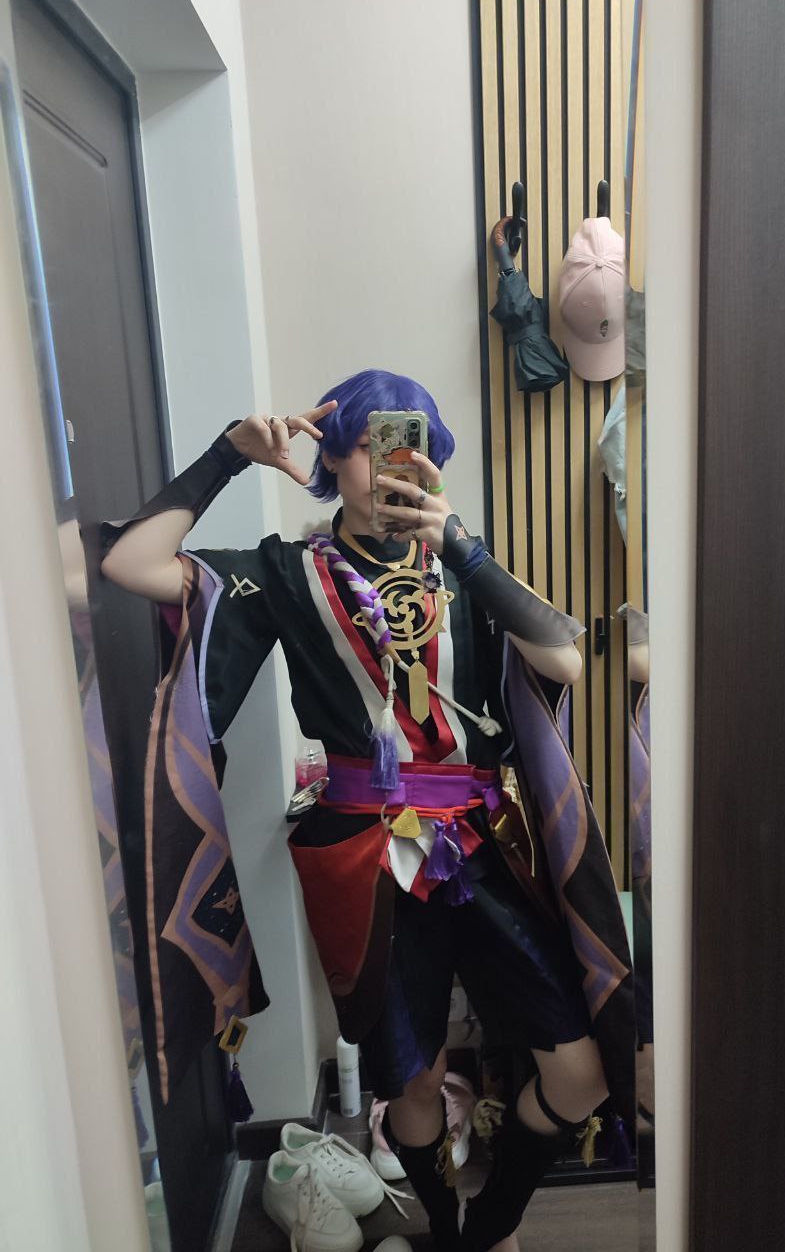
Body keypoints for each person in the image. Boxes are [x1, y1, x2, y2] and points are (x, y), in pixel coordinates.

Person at [102, 369, 633, 1252]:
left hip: (486, 848)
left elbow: (565, 661)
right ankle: (447, 1228)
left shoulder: (463, 564)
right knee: (412, 1086)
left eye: (414, 446)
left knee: (580, 1072)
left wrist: (461, 547)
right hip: (363, 858)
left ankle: (489, 1225)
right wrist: (229, 455)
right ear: (331, 458)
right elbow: (128, 565)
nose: (392, 464)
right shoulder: (287, 573)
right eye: (367, 444)